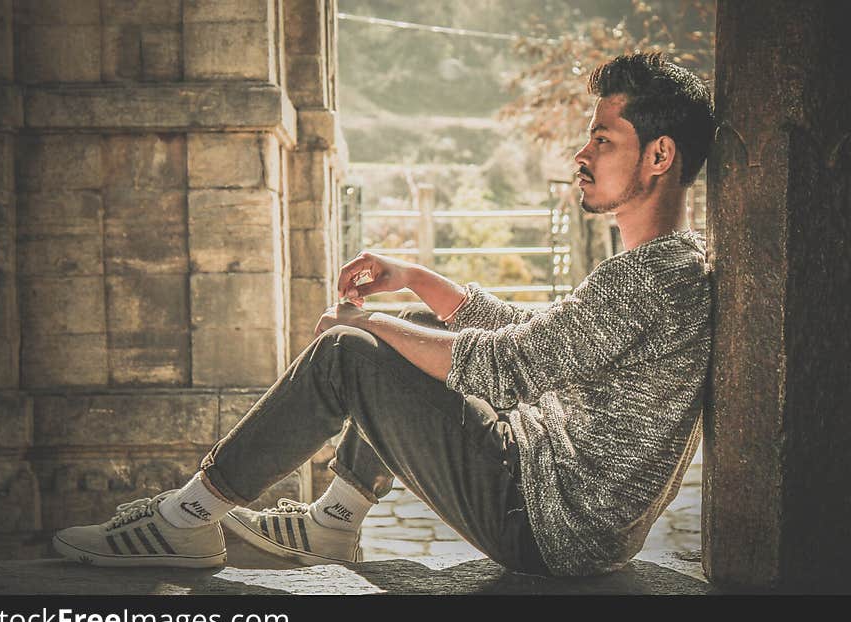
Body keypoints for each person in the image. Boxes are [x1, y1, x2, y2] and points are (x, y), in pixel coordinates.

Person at [53, 52, 715, 577]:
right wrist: (417, 281)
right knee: (417, 335)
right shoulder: (662, 269)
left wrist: (364, 325)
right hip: (555, 498)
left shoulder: (652, 281)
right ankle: (333, 524)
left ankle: (185, 519)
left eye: (602, 139)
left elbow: (508, 367)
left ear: (659, 155)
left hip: (544, 520)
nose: (581, 155)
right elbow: (538, 338)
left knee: (349, 354)